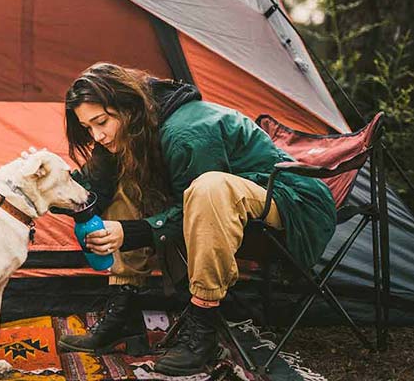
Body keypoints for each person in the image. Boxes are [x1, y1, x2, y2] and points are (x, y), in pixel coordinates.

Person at [56, 62, 336, 376]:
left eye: (101, 122)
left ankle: (203, 326)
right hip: (227, 208)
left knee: (208, 188)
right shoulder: (135, 129)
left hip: (289, 202)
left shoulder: (187, 133)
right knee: (129, 179)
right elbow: (96, 187)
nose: (97, 135)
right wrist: (44, 186)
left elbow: (195, 207)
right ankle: (123, 308)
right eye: (88, 128)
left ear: (127, 106)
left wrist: (130, 232)